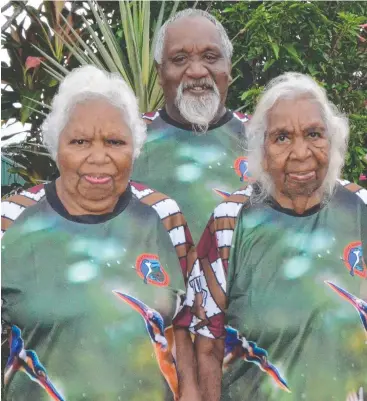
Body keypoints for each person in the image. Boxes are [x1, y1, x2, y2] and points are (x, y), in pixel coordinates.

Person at [1, 66, 201, 401]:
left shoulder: (163, 215)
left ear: (133, 149)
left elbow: (183, 324)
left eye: (114, 141)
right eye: (80, 142)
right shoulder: (10, 220)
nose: (99, 157)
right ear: (56, 147)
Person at [191, 73, 367, 401]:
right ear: (261, 149)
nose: (301, 152)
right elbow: (206, 346)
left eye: (314, 134)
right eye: (282, 138)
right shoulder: (229, 222)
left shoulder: (361, 211)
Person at [132, 8, 250, 243]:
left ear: (229, 67)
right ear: (160, 73)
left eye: (210, 57)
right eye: (180, 59)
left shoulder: (265, 139)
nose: (196, 71)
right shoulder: (127, 141)